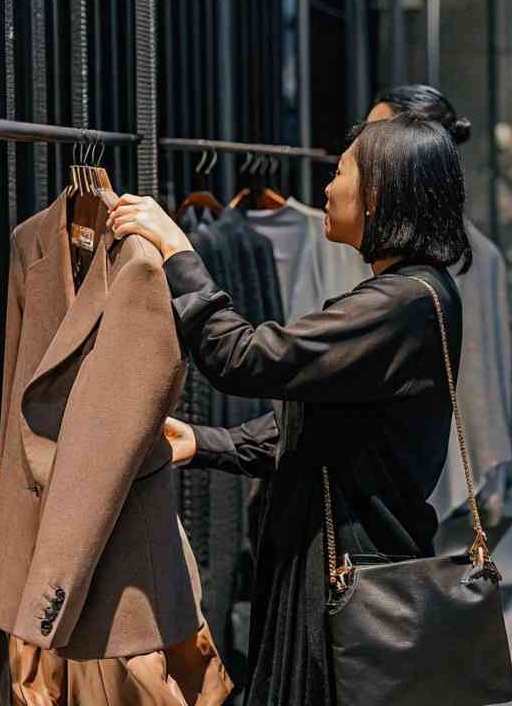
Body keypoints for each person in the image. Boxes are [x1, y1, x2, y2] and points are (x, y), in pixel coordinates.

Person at [106, 113, 470, 706]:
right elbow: (325, 426)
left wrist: (177, 250)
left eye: (341, 171)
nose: (327, 187)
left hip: (343, 573)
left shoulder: (400, 303)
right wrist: (204, 442)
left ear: (379, 192)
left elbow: (245, 358)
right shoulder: (414, 293)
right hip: (338, 561)